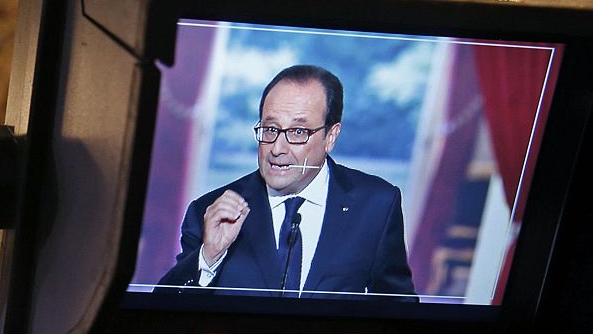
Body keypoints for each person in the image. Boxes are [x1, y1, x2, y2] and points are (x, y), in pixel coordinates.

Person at [156, 64, 415, 298]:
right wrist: (208, 257)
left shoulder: (376, 205)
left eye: (298, 132)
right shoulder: (210, 210)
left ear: (330, 136)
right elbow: (164, 314)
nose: (278, 148)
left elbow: (399, 313)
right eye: (270, 130)